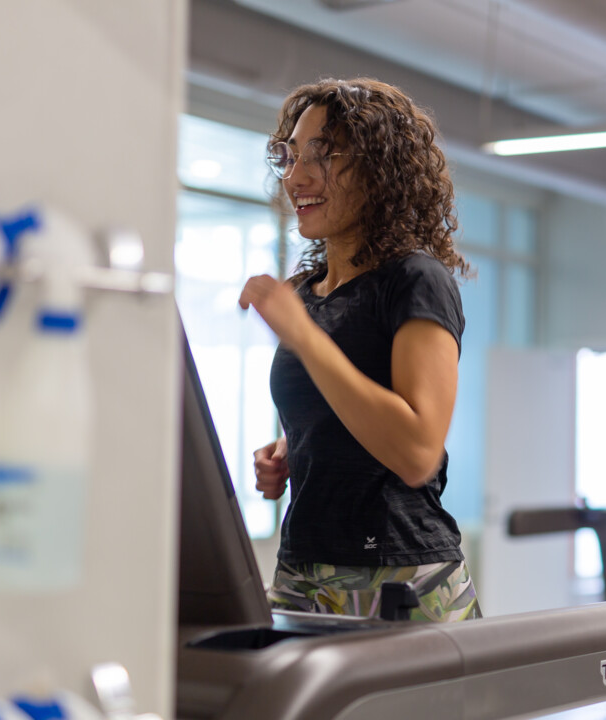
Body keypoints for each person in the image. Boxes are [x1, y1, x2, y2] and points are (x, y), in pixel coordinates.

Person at [238, 78, 481, 623]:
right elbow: (342, 409)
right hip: (302, 569)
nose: (297, 178)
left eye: (323, 157)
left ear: (379, 169)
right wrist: (289, 449)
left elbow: (417, 451)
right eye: (292, 156)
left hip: (401, 574)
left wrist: (303, 338)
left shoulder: (417, 279)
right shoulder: (306, 291)